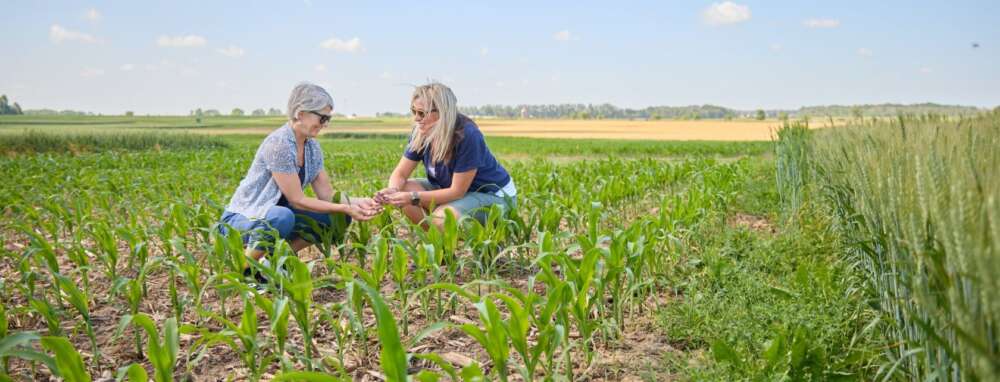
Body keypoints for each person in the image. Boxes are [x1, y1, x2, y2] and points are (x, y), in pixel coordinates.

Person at [218, 82, 381, 273]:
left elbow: (327, 195)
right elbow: (298, 200)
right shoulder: (279, 144)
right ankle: (246, 269)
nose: (325, 124)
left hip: (276, 215)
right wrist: (346, 206)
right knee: (282, 217)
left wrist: (360, 203)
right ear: (301, 113)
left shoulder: (312, 147)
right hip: (244, 218)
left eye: (328, 119)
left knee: (338, 217)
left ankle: (274, 260)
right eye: (322, 118)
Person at [374, 82, 516, 229]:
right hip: (454, 191)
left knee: (442, 217)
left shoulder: (468, 135)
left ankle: (443, 237)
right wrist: (393, 191)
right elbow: (401, 173)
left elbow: (457, 191)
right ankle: (436, 243)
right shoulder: (421, 132)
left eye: (422, 113)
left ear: (442, 112)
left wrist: (413, 197)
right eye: (413, 111)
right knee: (403, 189)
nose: (416, 119)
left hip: (493, 196)